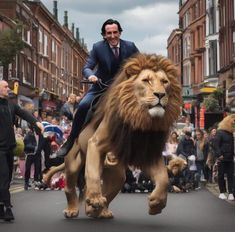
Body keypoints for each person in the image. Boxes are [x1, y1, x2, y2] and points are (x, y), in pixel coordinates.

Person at [57, 18, 139, 157]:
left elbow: (141, 63)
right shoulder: (98, 47)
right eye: (109, 33)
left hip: (123, 90)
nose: (112, 36)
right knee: (83, 105)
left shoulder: (130, 47)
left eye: (115, 32)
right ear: (104, 35)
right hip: (101, 87)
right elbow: (88, 67)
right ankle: (71, 140)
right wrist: (91, 76)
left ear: (119, 32)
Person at [0, 80, 44, 221]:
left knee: (5, 179)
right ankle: (8, 208)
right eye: (5, 86)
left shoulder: (11, 105)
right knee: (4, 178)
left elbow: (24, 113)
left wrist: (35, 121)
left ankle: (1, 207)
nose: (9, 88)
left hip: (9, 148)